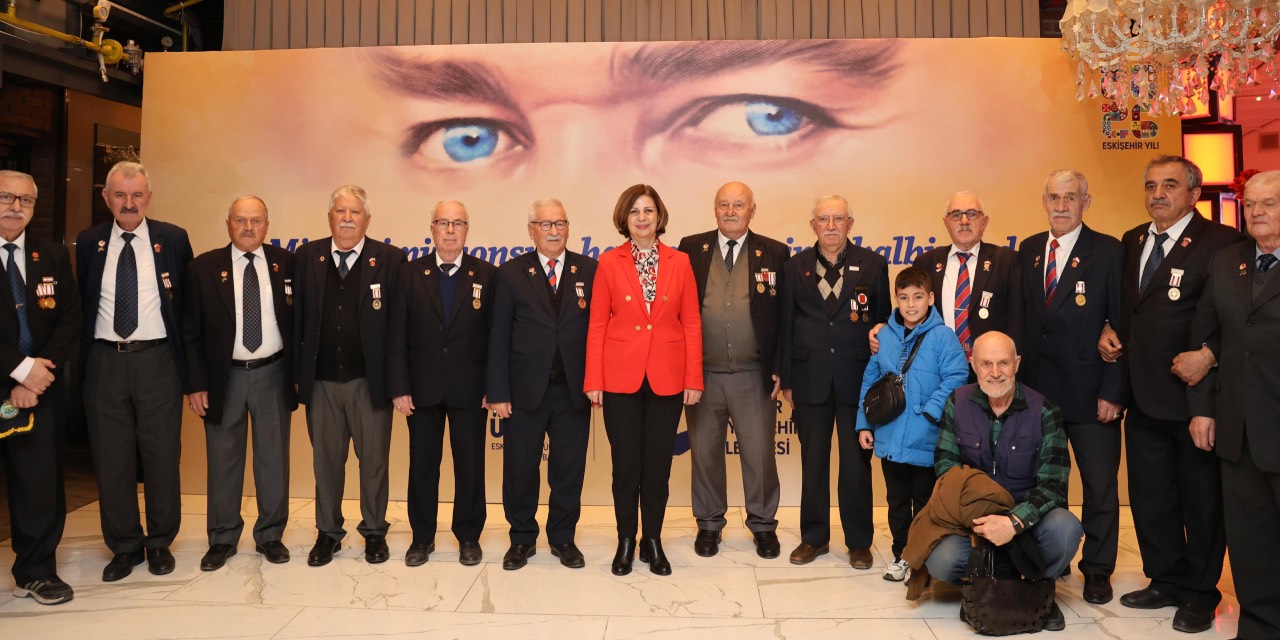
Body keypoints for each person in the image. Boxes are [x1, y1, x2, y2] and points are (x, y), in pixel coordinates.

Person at [1097, 155, 1239, 633]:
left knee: (1201, 502)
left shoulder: (1222, 244)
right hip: (1141, 397)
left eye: (1170, 185)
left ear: (1194, 194)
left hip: (1193, 400)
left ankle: (1200, 592)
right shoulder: (1134, 240)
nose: (1158, 194)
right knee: (1151, 497)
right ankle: (1167, 578)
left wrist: (1211, 354)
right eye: (1151, 185)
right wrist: (1107, 328)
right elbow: (1126, 310)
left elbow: (1238, 320)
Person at [77, 161, 193, 582]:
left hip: (157, 361)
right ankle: (124, 546)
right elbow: (82, 304)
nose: (129, 203)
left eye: (137, 194)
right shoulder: (89, 242)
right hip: (105, 361)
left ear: (149, 197)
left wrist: (192, 375)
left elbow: (188, 309)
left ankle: (160, 542)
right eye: (120, 195)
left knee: (162, 454)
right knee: (112, 458)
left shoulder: (173, 239)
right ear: (106, 198)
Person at [925, 331, 1082, 632]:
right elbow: (946, 469)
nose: (995, 373)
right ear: (973, 364)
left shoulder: (1045, 410)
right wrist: (981, 521)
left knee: (1066, 531)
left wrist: (1013, 523)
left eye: (1003, 363)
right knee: (939, 560)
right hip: (974, 522)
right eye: (986, 364)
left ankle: (1039, 590)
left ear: (1017, 363)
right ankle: (984, 585)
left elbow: (1054, 485)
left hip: (1028, 523)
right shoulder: (956, 402)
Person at [1017, 170, 1124, 604]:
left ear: (1086, 201)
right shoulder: (1027, 250)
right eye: (1054, 197)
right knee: (1044, 485)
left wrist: (1114, 391)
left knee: (1100, 486)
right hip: (1037, 395)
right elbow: (1024, 321)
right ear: (1044, 201)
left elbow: (1120, 325)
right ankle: (1053, 561)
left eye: (1070, 197)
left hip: (1090, 390)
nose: (1061, 205)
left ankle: (1097, 569)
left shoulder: (1109, 251)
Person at [585, 184, 702, 577]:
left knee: (657, 468)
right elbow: (598, 323)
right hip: (620, 379)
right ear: (625, 217)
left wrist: (693, 377)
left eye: (648, 210)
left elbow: (691, 323)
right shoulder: (608, 262)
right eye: (634, 211)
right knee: (625, 468)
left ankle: (652, 540)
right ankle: (625, 540)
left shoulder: (680, 262)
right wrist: (594, 379)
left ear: (659, 217)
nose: (641, 217)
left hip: (667, 379)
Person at [1185, 170, 1280, 639]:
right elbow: (1206, 339)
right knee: (1249, 540)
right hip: (1237, 427)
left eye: (1269, 203)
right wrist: (1202, 406)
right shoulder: (1228, 260)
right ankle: (1260, 626)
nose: (1257, 212)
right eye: (1250, 204)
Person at [675, 181, 789, 559]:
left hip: (753, 376)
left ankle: (762, 525)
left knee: (758, 455)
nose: (730, 211)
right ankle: (708, 525)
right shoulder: (691, 248)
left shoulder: (774, 252)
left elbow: (785, 319)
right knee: (705, 454)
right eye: (723, 204)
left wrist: (779, 368)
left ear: (752, 210)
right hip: (702, 376)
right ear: (714, 209)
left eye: (738, 205)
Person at [294, 185, 406, 567]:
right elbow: (296, 321)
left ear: (367, 219)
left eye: (354, 212)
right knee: (326, 461)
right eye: (340, 211)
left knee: (374, 460)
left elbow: (398, 328)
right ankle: (328, 533)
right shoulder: (307, 256)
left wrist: (396, 383)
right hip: (322, 381)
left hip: (369, 382)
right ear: (329, 218)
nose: (346, 218)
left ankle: (374, 532)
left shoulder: (390, 259)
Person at [182, 196, 296, 570]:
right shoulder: (202, 268)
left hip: (273, 373)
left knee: (273, 458)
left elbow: (300, 325)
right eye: (241, 220)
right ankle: (223, 537)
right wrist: (195, 384)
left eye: (256, 220)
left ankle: (271, 535)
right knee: (223, 458)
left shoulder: (286, 264)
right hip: (223, 377)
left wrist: (296, 377)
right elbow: (190, 332)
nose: (249, 227)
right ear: (228, 223)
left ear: (267, 224)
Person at [779, 195, 889, 569]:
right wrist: (788, 380)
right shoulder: (794, 267)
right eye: (823, 219)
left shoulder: (873, 265)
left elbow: (884, 325)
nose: (830, 225)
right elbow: (784, 327)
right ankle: (814, 538)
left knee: (857, 465)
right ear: (813, 225)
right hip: (808, 381)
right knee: (813, 462)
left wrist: (882, 381)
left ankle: (859, 542)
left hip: (858, 382)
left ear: (849, 223)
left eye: (837, 218)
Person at [486, 197, 596, 570]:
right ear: (531, 229)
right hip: (523, 393)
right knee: (520, 468)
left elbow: (598, 334)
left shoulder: (589, 270)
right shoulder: (511, 273)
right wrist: (497, 392)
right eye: (546, 225)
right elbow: (498, 337)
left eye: (560, 224)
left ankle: (563, 538)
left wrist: (596, 382)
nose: (554, 231)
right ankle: (521, 539)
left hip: (573, 392)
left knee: (568, 468)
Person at [388, 200, 496, 567]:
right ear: (431, 228)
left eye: (458, 224)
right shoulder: (409, 274)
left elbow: (494, 338)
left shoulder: (487, 274)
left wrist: (491, 388)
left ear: (467, 229)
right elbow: (396, 335)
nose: (450, 230)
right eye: (443, 223)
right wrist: (399, 387)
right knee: (422, 466)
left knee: (470, 466)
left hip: (471, 390)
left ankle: (468, 536)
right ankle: (422, 538)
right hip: (421, 391)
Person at [855, 266, 968, 581]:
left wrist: (932, 410)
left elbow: (957, 377)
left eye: (918, 297)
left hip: (926, 437)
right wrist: (864, 424)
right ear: (896, 299)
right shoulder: (885, 336)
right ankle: (901, 555)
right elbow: (871, 380)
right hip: (890, 437)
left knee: (926, 504)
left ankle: (925, 558)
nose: (911, 304)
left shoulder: (943, 336)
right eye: (904, 298)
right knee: (896, 502)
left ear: (930, 298)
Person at [0, 170, 81, 604]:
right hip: (14, 378)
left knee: (39, 484)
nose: (16, 207)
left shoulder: (49, 254)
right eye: (6, 197)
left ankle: (36, 570)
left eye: (25, 201)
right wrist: (19, 369)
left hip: (39, 389)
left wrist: (38, 374)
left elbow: (70, 316)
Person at [909, 191, 1022, 354]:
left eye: (972, 214)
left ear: (985, 221)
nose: (964, 221)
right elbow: (912, 313)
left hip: (991, 368)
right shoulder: (925, 263)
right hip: (939, 365)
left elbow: (1017, 321)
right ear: (946, 222)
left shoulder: (1008, 261)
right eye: (956, 215)